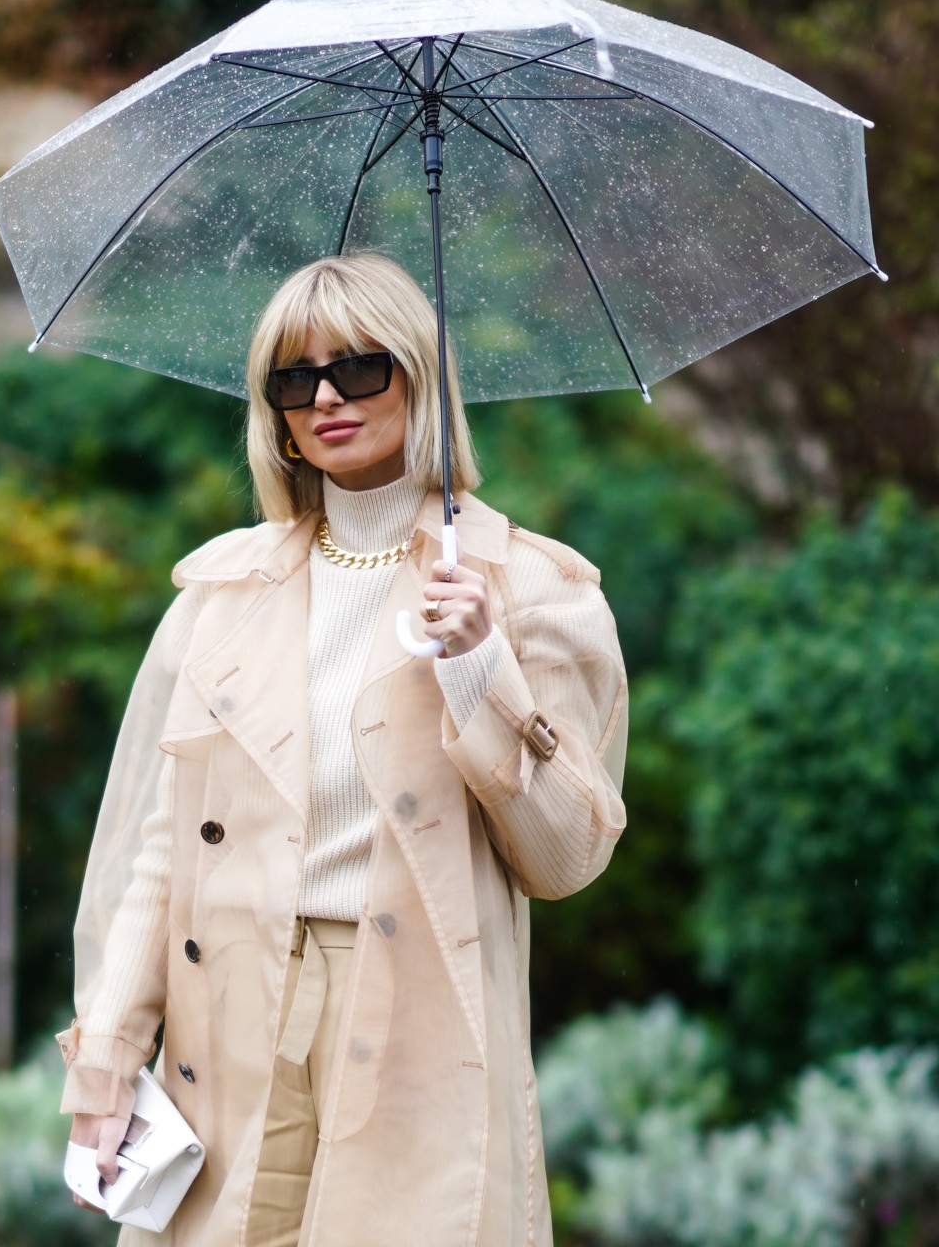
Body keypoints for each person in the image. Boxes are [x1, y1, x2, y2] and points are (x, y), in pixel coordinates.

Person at [57, 253, 628, 1246]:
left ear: (417, 374)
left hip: (415, 1015)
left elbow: (567, 855)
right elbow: (158, 854)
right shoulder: (223, 596)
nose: (325, 396)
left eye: (359, 367)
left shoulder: (531, 588)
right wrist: (104, 1066)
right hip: (229, 1010)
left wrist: (479, 664)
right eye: (293, 377)